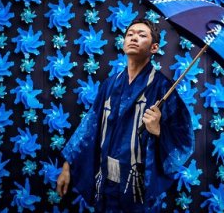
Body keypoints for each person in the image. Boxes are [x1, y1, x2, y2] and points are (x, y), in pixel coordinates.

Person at [56, 18, 194, 212]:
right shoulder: (110, 85)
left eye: (142, 35)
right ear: (123, 42)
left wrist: (158, 130)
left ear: (154, 48)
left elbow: (184, 140)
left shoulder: (163, 89)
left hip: (138, 186)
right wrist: (67, 166)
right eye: (130, 34)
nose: (134, 38)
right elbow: (88, 128)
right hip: (104, 182)